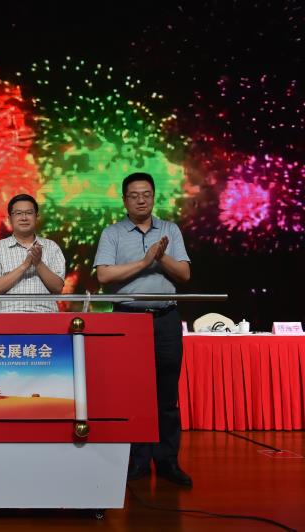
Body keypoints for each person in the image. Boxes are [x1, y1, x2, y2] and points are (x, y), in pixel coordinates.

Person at [94, 172, 192, 487]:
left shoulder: (170, 230)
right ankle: (136, 460)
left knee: (166, 393)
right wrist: (144, 261)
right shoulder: (112, 233)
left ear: (153, 197)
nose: (141, 200)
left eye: (146, 194)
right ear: (124, 200)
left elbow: (184, 274)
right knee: (133, 393)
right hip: (128, 319)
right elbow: (104, 277)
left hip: (166, 318)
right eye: (134, 195)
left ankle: (167, 461)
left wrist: (161, 257)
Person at [0, 194, 65, 312]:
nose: (24, 218)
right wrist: (24, 266)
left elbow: (58, 288)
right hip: (8, 315)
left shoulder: (52, 247)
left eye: (29, 213)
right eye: (18, 213)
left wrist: (38, 264)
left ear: (37, 217)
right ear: (9, 219)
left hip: (45, 314)